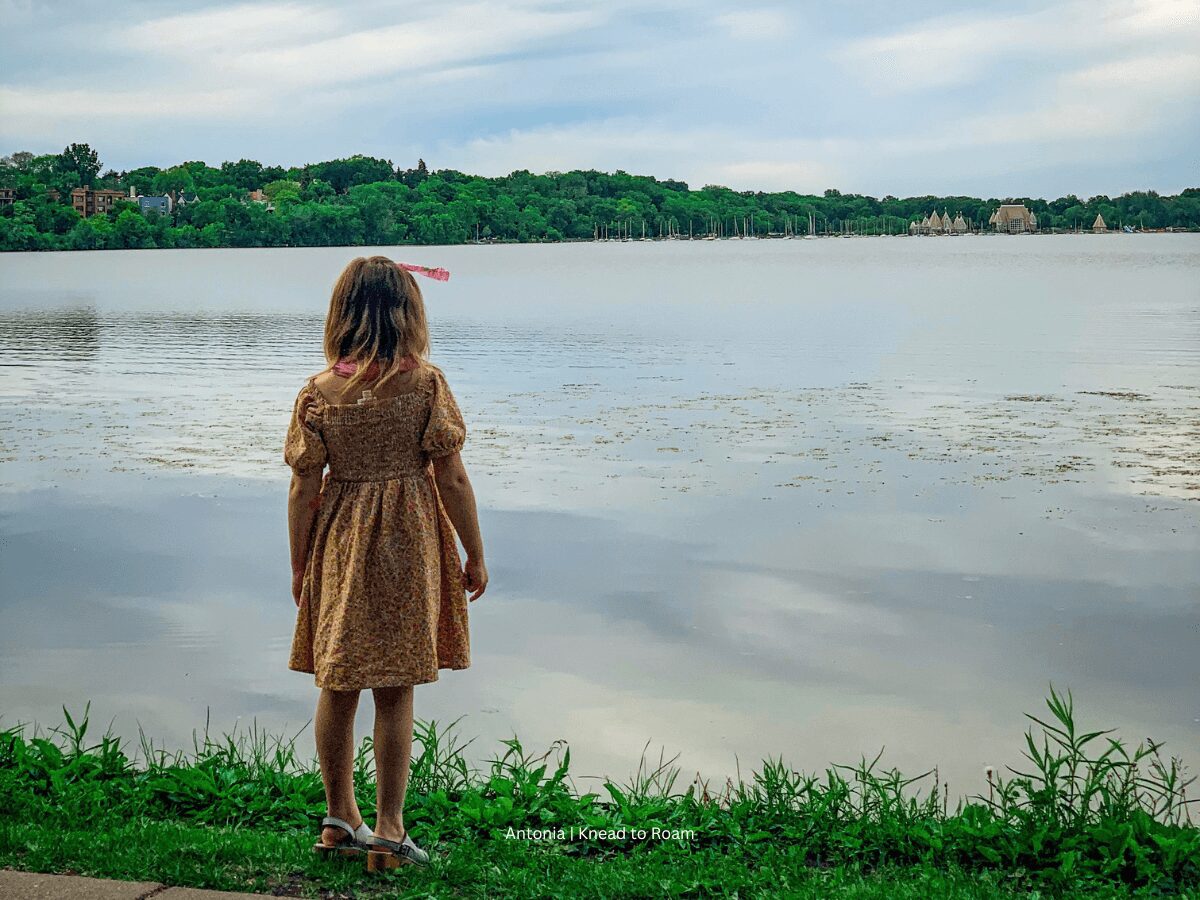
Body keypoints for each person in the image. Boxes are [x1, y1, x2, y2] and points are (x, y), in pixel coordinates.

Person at [284, 255, 487, 868]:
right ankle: (390, 832)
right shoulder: (425, 384)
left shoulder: (319, 392)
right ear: (409, 313)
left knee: (338, 679)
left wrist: (300, 564)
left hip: (340, 542)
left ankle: (339, 817)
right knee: (394, 688)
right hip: (410, 538)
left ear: (341, 313)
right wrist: (474, 552)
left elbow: (302, 486)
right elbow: (450, 474)